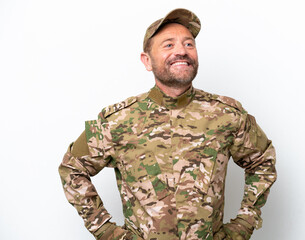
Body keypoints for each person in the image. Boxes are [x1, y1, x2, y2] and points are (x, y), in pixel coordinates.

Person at [59, 8, 277, 240]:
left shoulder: (227, 114)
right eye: (168, 45)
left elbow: (262, 160)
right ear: (147, 60)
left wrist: (244, 223)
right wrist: (105, 230)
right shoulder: (116, 121)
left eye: (189, 44)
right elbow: (72, 168)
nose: (181, 51)